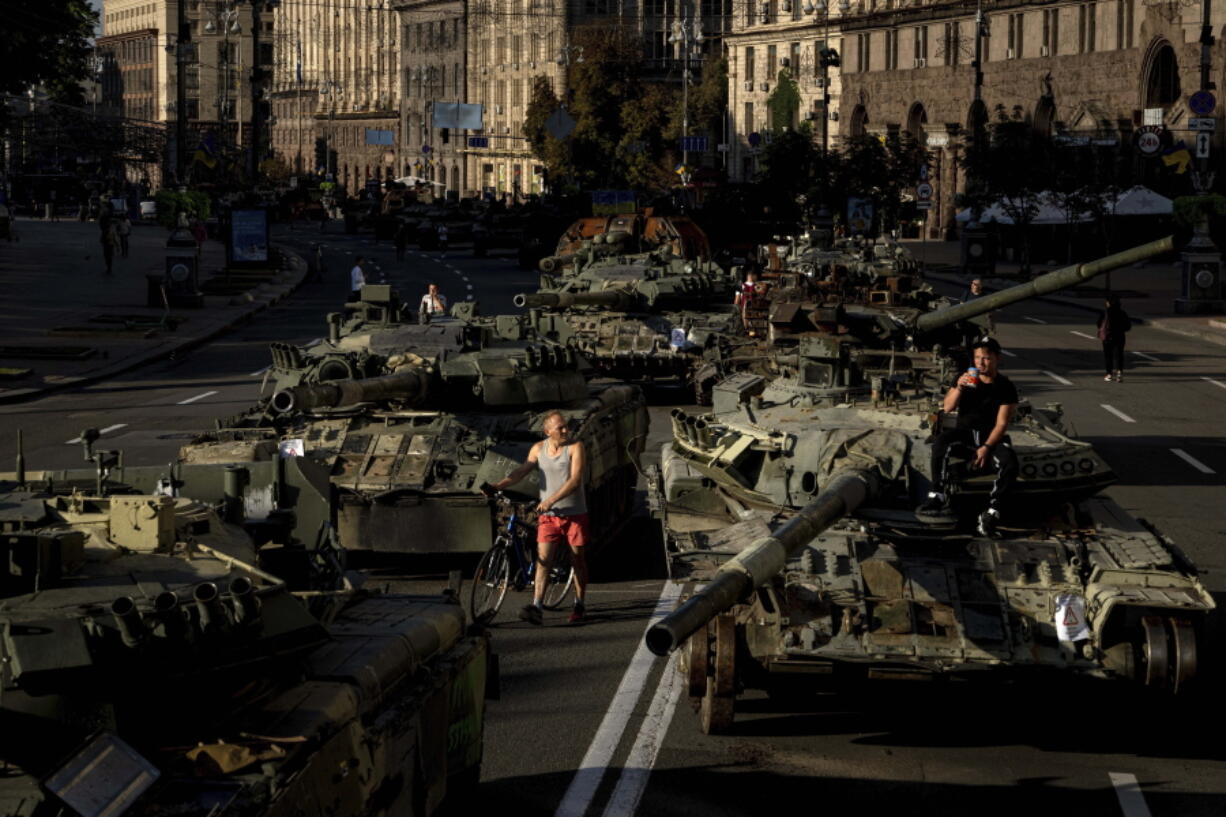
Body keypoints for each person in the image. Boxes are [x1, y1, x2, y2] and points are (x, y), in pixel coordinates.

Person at [483, 411, 590, 624]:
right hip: (548, 517)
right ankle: (537, 606)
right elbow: (521, 471)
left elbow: (575, 480)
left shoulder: (575, 447)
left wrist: (551, 500)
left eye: (566, 426)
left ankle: (579, 603)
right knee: (543, 561)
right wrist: (498, 486)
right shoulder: (538, 449)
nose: (565, 430)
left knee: (577, 559)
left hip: (574, 514)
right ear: (547, 431)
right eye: (560, 427)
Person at [917, 337, 1019, 537]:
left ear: (997, 359)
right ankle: (937, 493)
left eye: (986, 358)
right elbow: (947, 407)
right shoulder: (964, 379)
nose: (981, 363)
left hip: (991, 436)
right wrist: (959, 388)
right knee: (940, 444)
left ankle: (992, 512)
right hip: (965, 433)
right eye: (978, 358)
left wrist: (987, 447)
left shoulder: (1006, 386)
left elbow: (1001, 424)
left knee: (1010, 463)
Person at [1098, 294, 1132, 382]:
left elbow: (1098, 324)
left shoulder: (1105, 312)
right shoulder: (1122, 313)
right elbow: (1128, 326)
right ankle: (1119, 373)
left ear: (1108, 303)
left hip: (1108, 336)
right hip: (1120, 336)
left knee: (1108, 355)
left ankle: (1109, 374)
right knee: (1119, 355)